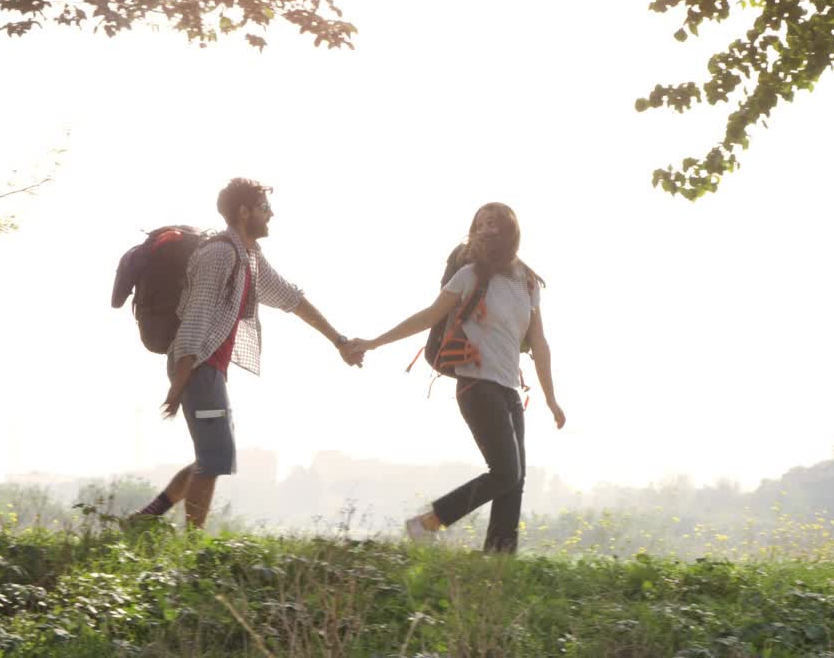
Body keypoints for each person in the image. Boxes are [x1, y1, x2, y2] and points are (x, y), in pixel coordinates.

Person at [134, 177, 363, 528]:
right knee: (214, 458)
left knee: (211, 456)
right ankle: (190, 545)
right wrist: (179, 384)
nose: (271, 215)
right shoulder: (219, 254)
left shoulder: (250, 258)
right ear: (244, 212)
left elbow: (292, 299)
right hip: (196, 366)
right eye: (264, 208)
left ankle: (145, 519)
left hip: (207, 369)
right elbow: (195, 319)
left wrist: (339, 341)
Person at [345, 202, 565, 553]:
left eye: (493, 223)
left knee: (515, 480)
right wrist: (373, 342)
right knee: (506, 472)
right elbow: (428, 317)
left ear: (510, 230)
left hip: (508, 389)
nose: (485, 229)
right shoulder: (469, 275)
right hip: (477, 386)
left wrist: (551, 399)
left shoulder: (526, 281)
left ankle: (498, 560)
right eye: (479, 223)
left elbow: (539, 342)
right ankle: (428, 523)